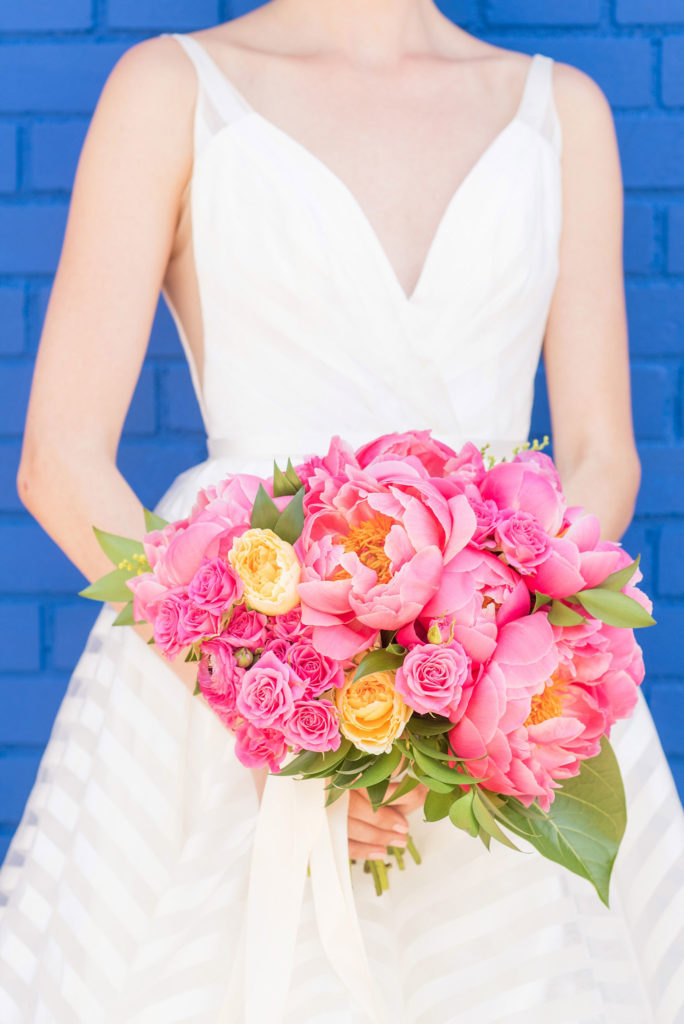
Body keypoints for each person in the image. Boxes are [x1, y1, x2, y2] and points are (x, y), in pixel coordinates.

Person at [2, 0, 683, 1021]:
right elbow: (60, 462)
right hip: (231, 682)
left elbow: (599, 456)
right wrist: (300, 715)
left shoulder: (558, 113)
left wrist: (469, 709)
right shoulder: (171, 89)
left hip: (491, 679)